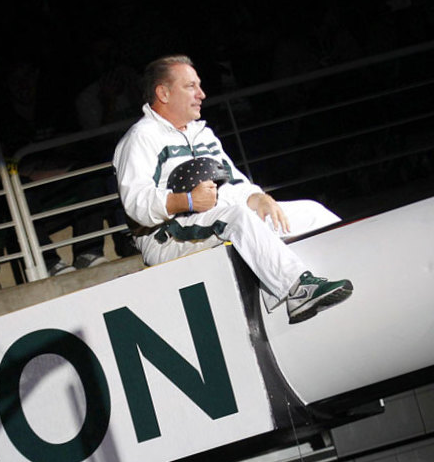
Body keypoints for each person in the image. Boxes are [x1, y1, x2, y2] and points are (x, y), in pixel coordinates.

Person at [112, 55, 354, 324]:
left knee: (310, 211)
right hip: (168, 238)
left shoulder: (202, 134)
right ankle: (297, 291)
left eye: (199, 85)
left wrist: (258, 197)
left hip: (214, 219)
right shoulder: (140, 138)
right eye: (191, 86)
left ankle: (351, 270)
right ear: (163, 93)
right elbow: (136, 203)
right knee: (237, 217)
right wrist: (188, 201)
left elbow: (234, 183)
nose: (201, 94)